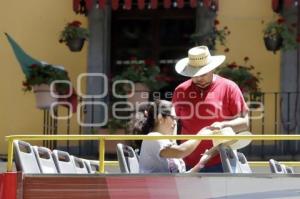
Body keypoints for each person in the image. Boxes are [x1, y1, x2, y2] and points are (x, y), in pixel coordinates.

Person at [172, 46, 249, 172]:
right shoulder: (180, 90)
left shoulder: (229, 87)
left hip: (222, 161)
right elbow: (173, 123)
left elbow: (244, 123)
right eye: (194, 74)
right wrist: (175, 152)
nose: (199, 78)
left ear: (212, 68)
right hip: (187, 162)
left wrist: (223, 125)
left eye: (203, 73)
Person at [131, 100, 217, 173]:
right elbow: (181, 151)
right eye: (173, 118)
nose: (175, 123)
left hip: (170, 190)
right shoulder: (153, 137)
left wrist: (204, 160)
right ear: (160, 118)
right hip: (158, 191)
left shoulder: (166, 142)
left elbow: (182, 177)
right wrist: (201, 134)